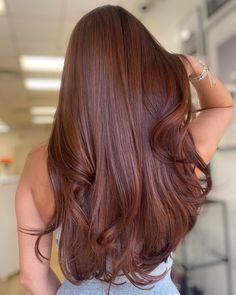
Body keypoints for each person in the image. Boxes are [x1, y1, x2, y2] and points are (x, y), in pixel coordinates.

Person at [15, 4, 234, 295]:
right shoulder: (174, 150)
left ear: (76, 82)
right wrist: (192, 66)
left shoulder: (40, 162)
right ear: (147, 72)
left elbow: (31, 278)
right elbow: (221, 105)